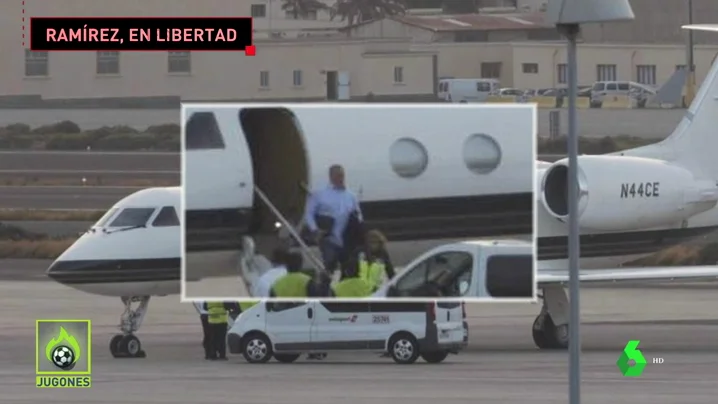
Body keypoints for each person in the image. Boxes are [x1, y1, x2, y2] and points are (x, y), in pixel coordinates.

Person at [304, 164, 363, 276]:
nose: (341, 178)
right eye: (338, 175)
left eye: (342, 175)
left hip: (346, 239)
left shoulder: (351, 196)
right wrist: (315, 229)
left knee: (348, 268)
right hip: (328, 238)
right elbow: (309, 213)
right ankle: (326, 290)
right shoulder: (319, 194)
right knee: (329, 267)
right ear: (331, 176)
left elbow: (359, 214)